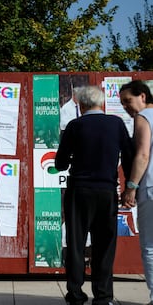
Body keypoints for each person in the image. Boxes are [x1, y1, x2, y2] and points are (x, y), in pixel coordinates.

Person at [55, 86, 133, 305]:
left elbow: (60, 162)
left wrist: (72, 160)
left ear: (80, 104)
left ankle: (75, 294)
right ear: (102, 104)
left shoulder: (74, 125)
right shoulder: (116, 124)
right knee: (105, 245)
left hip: (79, 191)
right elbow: (128, 157)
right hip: (107, 191)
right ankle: (103, 295)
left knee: (76, 243)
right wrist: (129, 187)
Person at [120, 80, 153, 305]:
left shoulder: (144, 117)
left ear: (143, 96)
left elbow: (142, 155)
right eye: (122, 104)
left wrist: (131, 187)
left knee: (150, 247)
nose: (126, 107)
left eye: (128, 101)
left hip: (150, 188)